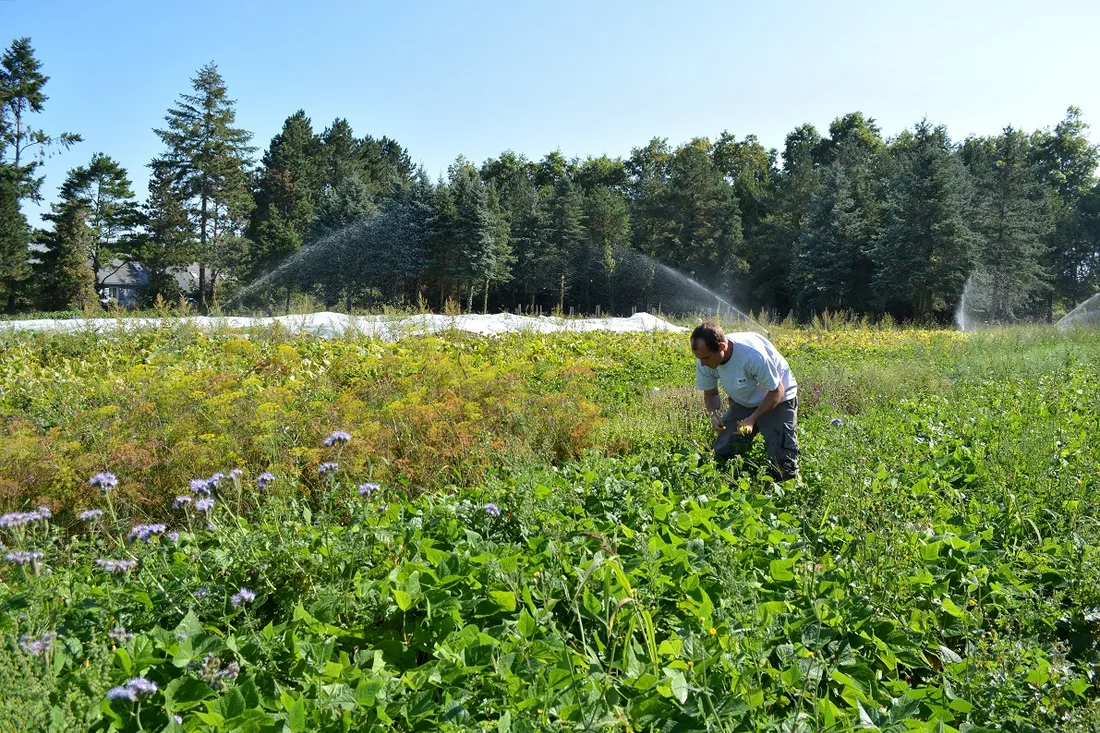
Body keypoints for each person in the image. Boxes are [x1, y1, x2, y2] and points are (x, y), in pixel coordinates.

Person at [691, 322, 799, 480]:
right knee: (724, 450)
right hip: (745, 400)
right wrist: (714, 415)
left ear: (722, 347)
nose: (702, 363)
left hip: (778, 398)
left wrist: (752, 419)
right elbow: (711, 394)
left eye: (706, 358)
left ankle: (784, 485)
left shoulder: (752, 356)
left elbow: (777, 391)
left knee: (783, 464)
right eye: (699, 358)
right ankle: (727, 479)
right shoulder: (704, 360)